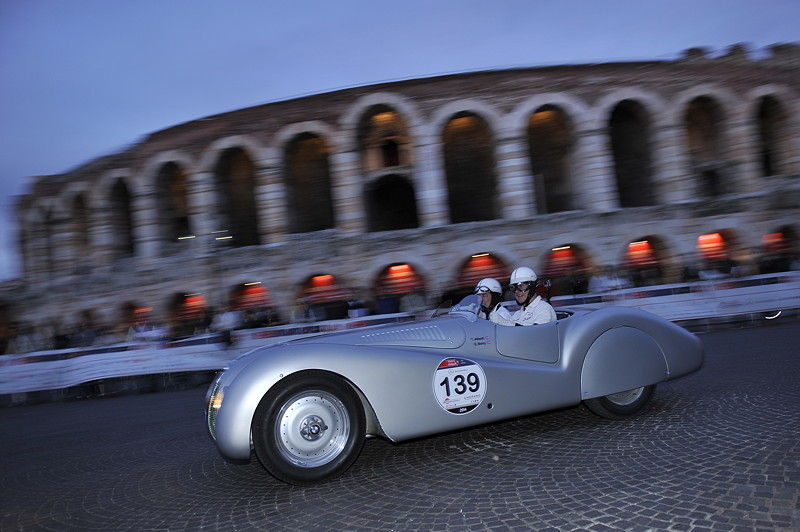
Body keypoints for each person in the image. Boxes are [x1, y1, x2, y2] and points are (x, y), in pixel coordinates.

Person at [490, 266, 556, 326]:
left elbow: (537, 333)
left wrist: (508, 324)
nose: (516, 291)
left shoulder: (543, 308)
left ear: (532, 287)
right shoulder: (517, 314)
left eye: (521, 286)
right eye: (513, 287)